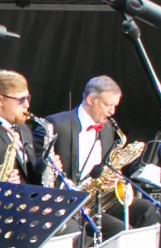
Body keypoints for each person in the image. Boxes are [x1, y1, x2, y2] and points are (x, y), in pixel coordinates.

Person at [48, 76, 131, 238]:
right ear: (91, 100)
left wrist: (112, 178)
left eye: (115, 106)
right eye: (108, 105)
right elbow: (38, 168)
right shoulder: (56, 124)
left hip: (95, 200)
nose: (112, 112)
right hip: (67, 201)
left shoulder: (107, 129)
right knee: (109, 231)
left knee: (139, 217)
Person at [0, 70, 62, 186]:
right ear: (0, 100)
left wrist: (46, 167)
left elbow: (31, 177)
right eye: (21, 100)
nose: (27, 105)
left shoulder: (24, 129)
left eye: (27, 98)